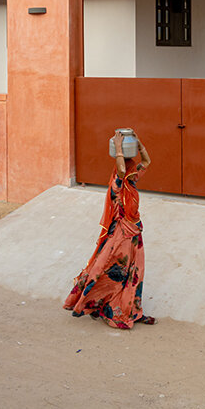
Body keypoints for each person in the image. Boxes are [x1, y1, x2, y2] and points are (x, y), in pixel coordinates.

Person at [63, 128, 156, 329]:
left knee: (134, 273)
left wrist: (139, 144)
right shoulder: (118, 184)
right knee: (111, 268)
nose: (135, 174)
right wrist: (120, 147)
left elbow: (146, 162)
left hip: (135, 232)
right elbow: (122, 170)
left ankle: (131, 309)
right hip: (121, 233)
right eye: (132, 172)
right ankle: (94, 302)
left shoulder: (132, 182)